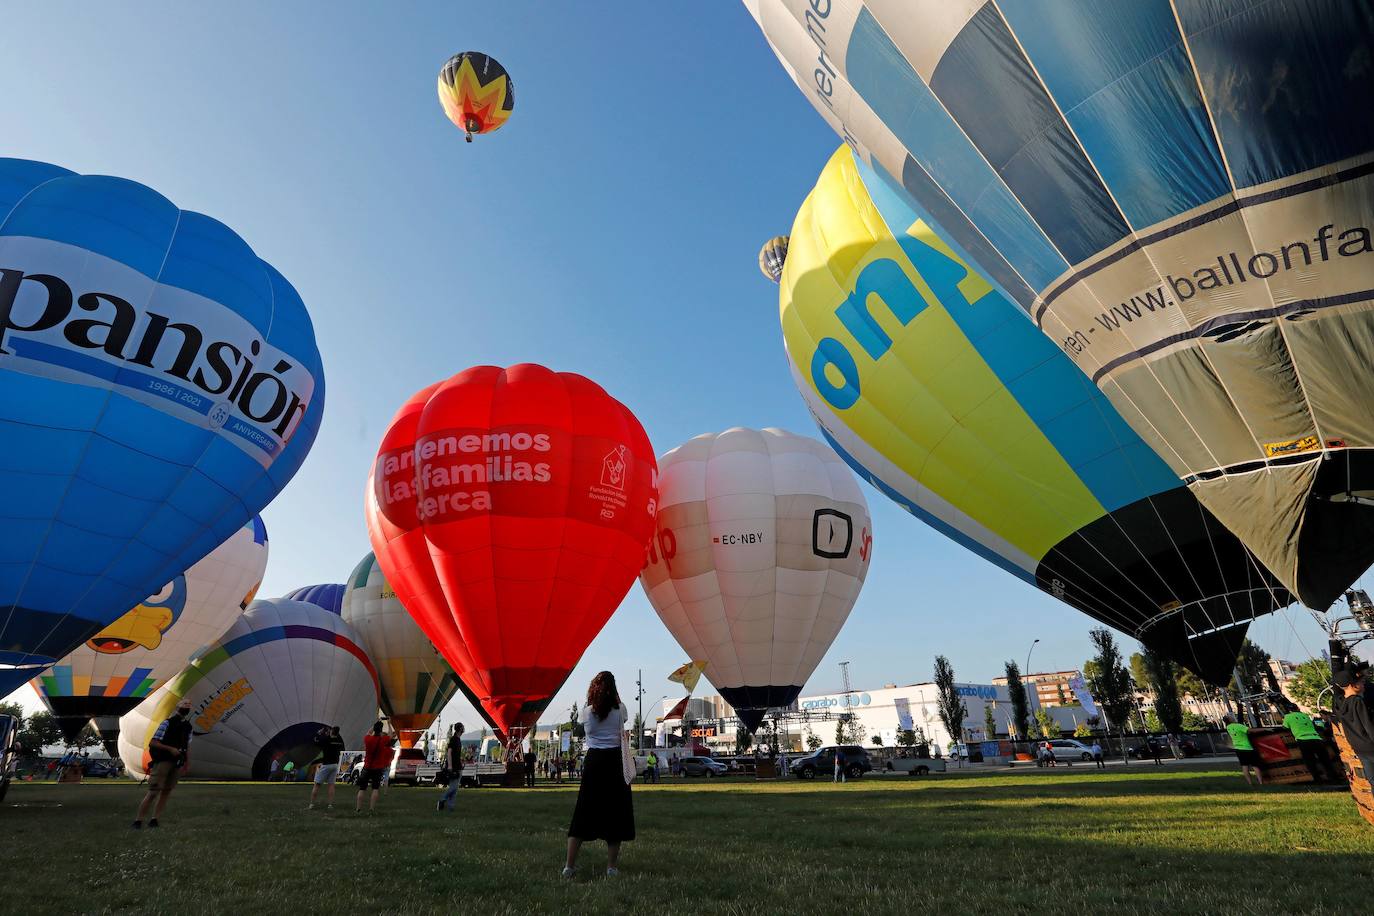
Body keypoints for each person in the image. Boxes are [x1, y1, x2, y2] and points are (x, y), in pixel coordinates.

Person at [563, 671, 634, 879]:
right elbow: (623, 715)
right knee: (616, 813)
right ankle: (611, 867)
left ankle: (569, 866)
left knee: (583, 812)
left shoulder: (586, 712)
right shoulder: (620, 710)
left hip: (594, 762)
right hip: (615, 762)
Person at [133, 699, 194, 829]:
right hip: (163, 761)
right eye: (184, 704)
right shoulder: (167, 723)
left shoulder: (188, 727)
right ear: (177, 707)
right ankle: (138, 820)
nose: (187, 707)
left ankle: (155, 819)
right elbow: (153, 742)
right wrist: (170, 749)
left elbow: (187, 746)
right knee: (154, 791)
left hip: (177, 762)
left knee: (166, 791)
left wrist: (187, 763)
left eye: (189, 705)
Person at [1332, 672, 1374, 781]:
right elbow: (1368, 725)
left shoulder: (1339, 704)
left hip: (1358, 747)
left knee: (1372, 778)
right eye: (1361, 682)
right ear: (1352, 685)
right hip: (1370, 745)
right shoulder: (1357, 702)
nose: (1363, 685)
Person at [1282, 706, 1339, 783]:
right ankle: (1333, 777)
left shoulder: (1288, 717)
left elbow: (1285, 727)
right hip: (1316, 738)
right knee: (1325, 760)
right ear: (1297, 709)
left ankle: (1317, 779)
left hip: (1303, 739)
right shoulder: (1305, 715)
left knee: (1310, 761)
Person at [356, 722, 389, 814]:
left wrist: (374, 725)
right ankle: (371, 809)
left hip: (367, 767)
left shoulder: (368, 739)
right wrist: (389, 724)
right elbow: (390, 734)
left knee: (362, 788)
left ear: (374, 729)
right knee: (375, 788)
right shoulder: (383, 740)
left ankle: (358, 808)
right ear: (381, 730)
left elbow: (368, 732)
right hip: (378, 768)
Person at [309, 725, 345, 810]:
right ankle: (330, 805)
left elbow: (316, 741)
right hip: (335, 765)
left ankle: (311, 804)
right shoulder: (339, 741)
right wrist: (330, 733)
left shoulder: (326, 740)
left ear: (332, 731)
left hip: (326, 764)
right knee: (331, 785)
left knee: (317, 785)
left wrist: (319, 733)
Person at [1224, 716, 1263, 787]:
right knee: (1255, 766)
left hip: (1238, 749)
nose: (1234, 717)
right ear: (1230, 719)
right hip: (1247, 748)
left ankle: (1250, 783)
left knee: (1244, 766)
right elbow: (1250, 730)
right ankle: (1261, 782)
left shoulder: (1228, 727)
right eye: (1232, 717)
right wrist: (1263, 730)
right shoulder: (1238, 726)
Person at [437, 722, 465, 812]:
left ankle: (451, 807)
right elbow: (449, 752)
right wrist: (450, 766)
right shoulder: (454, 739)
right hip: (454, 767)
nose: (464, 729)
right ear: (460, 729)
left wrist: (461, 762)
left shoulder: (458, 739)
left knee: (455, 788)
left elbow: (456, 754)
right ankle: (442, 800)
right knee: (453, 787)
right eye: (463, 728)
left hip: (458, 766)